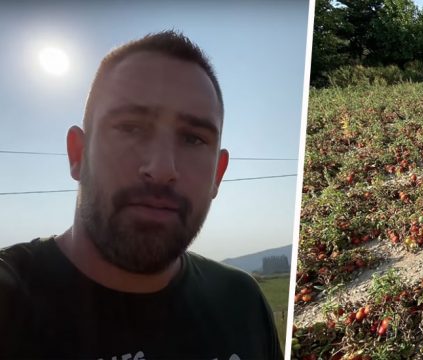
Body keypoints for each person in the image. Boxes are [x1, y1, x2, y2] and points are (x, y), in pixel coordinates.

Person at [0, 31, 283, 360]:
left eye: (193, 139)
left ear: (217, 175)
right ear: (77, 154)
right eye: (131, 127)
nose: (162, 168)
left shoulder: (243, 303)